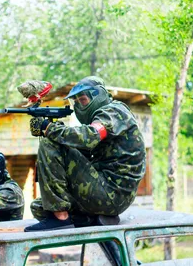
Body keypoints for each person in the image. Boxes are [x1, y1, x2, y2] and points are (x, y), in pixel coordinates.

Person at [24, 76, 146, 232]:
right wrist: (58, 132)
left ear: (98, 95)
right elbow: (84, 151)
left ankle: (61, 219)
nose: (79, 107)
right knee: (40, 207)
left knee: (49, 143)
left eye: (82, 100)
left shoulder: (113, 111)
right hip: (106, 193)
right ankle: (93, 219)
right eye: (77, 102)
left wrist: (49, 129)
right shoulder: (107, 117)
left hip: (112, 193)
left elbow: (90, 136)